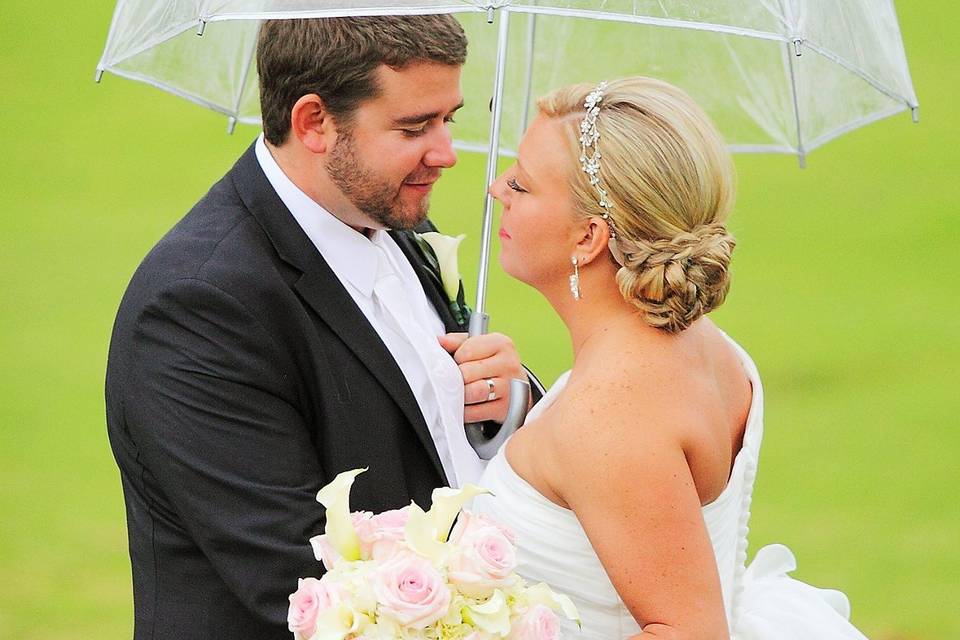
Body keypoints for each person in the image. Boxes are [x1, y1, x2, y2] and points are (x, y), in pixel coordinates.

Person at [105, 16, 536, 640]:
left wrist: (508, 398)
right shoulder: (198, 307)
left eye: (450, 119)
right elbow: (301, 582)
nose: (445, 153)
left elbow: (435, 436)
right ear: (314, 123)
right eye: (415, 127)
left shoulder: (399, 221)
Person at [471, 77, 870, 640]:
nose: (495, 188)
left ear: (588, 238)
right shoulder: (702, 343)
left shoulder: (607, 413)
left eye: (522, 184)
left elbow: (689, 631)